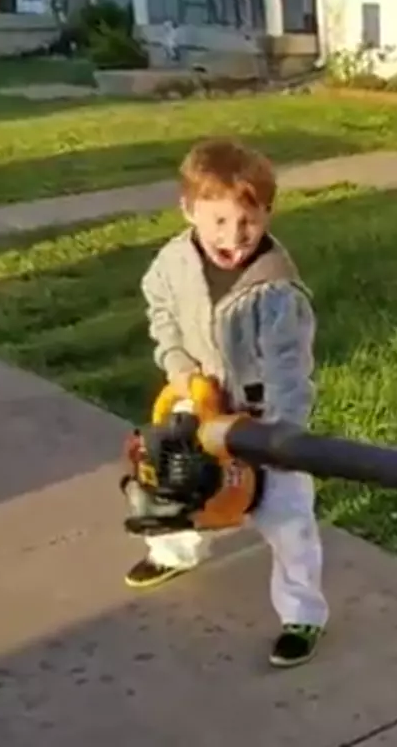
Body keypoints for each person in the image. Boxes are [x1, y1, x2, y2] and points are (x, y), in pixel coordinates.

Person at [124, 136, 328, 669]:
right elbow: (160, 308)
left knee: (287, 517)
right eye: (217, 221)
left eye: (248, 222)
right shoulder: (172, 262)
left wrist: (282, 436)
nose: (234, 237)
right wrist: (177, 365)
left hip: (258, 421)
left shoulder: (276, 291)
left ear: (267, 213)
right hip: (194, 402)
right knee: (178, 488)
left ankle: (301, 612)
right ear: (188, 210)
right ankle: (173, 552)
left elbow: (289, 370)